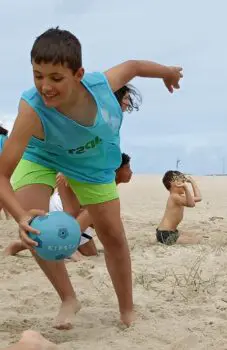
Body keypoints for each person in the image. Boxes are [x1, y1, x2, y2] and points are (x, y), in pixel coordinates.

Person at [0, 27, 182, 329]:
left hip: (91, 164)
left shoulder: (100, 86)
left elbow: (134, 66)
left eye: (56, 77)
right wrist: (20, 216)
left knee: (112, 235)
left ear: (78, 74)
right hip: (41, 155)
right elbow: (1, 174)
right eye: (37, 75)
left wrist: (168, 72)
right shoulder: (31, 109)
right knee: (35, 228)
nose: (45, 86)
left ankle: (127, 310)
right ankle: (68, 298)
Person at [4, 152, 133, 260]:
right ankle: (25, 245)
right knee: (93, 210)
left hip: (74, 214)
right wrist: (66, 174)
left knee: (92, 252)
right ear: (117, 170)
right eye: (128, 168)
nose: (131, 172)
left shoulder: (108, 186)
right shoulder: (97, 177)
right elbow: (67, 172)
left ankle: (62, 242)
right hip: (63, 208)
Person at [157, 170, 202, 245]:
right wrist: (186, 188)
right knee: (196, 241)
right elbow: (191, 204)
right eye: (182, 181)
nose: (184, 183)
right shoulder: (174, 197)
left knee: (194, 236)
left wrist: (192, 182)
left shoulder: (179, 197)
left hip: (171, 232)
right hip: (165, 234)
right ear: (173, 183)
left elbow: (199, 197)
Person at [0, 126, 10, 219]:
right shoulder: (3, 138)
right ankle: (7, 215)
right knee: (4, 190)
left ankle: (7, 215)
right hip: (3, 166)